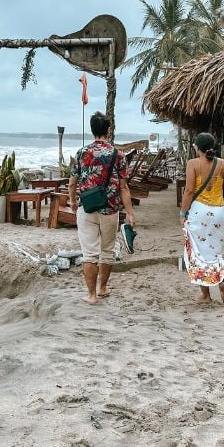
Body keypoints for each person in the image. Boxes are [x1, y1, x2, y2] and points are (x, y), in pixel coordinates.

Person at [69, 111, 136, 304]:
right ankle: (103, 288)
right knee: (107, 251)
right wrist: (130, 212)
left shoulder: (82, 153)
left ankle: (91, 295)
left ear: (92, 131)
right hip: (110, 209)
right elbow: (123, 187)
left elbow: (72, 183)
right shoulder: (118, 155)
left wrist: (73, 201)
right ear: (108, 130)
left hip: (87, 208)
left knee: (89, 253)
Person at [179, 132, 224, 305]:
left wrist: (182, 213)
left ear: (196, 148)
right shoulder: (222, 164)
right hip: (218, 213)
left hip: (198, 212)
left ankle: (206, 294)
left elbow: (188, 191)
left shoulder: (193, 164)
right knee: (214, 252)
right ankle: (220, 281)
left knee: (197, 252)